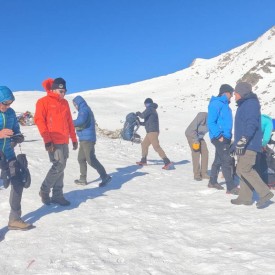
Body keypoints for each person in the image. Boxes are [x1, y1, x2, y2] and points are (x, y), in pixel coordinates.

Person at [34, 78, 78, 206]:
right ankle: (44, 190)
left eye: (64, 91)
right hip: (53, 141)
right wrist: (47, 140)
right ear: (53, 89)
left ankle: (58, 195)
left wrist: (74, 139)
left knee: (61, 167)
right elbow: (39, 121)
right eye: (61, 91)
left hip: (64, 140)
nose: (63, 93)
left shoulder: (64, 103)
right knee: (58, 165)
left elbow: (69, 122)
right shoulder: (43, 102)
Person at [230, 82, 274, 208]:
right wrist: (235, 145)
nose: (234, 96)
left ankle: (265, 193)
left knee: (245, 169)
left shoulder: (251, 104)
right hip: (243, 144)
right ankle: (245, 197)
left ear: (242, 93)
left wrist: (243, 141)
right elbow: (241, 128)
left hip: (249, 144)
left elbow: (252, 124)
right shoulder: (244, 104)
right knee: (240, 170)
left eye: (236, 93)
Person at [0, 86, 33, 230]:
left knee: (18, 182)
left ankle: (14, 218)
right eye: (4, 103)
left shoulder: (11, 113)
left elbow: (16, 130)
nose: (7, 106)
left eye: (9, 103)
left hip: (9, 154)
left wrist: (18, 136)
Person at [72, 95, 112, 187]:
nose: (75, 106)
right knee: (81, 159)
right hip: (83, 139)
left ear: (79, 103)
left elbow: (80, 121)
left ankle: (105, 176)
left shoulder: (84, 110)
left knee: (91, 160)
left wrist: (69, 122)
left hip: (88, 139)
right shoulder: (84, 109)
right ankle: (82, 179)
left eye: (75, 104)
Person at [207, 84, 239, 194]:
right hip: (219, 137)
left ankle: (212, 182)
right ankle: (230, 187)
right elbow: (210, 121)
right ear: (226, 92)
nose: (232, 96)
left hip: (224, 137)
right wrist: (219, 135)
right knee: (227, 159)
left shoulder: (225, 105)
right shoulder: (216, 103)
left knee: (219, 160)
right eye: (231, 93)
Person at [136, 98, 173, 169]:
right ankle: (143, 160)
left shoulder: (150, 109)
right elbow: (147, 123)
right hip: (150, 131)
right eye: (145, 104)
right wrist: (139, 123)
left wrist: (138, 113)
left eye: (146, 104)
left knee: (156, 147)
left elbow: (142, 116)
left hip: (152, 131)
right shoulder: (152, 110)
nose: (145, 105)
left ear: (148, 103)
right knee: (144, 144)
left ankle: (167, 161)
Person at [185, 112, 209, 181]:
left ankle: (204, 173)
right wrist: (195, 140)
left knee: (205, 152)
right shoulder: (202, 115)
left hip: (200, 136)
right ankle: (196, 174)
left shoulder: (214, 121)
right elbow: (191, 129)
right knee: (196, 153)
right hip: (191, 134)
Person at [254, 114, 273, 184]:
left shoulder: (260, 117)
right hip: (255, 141)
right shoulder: (269, 123)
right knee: (258, 159)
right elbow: (266, 137)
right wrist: (264, 145)